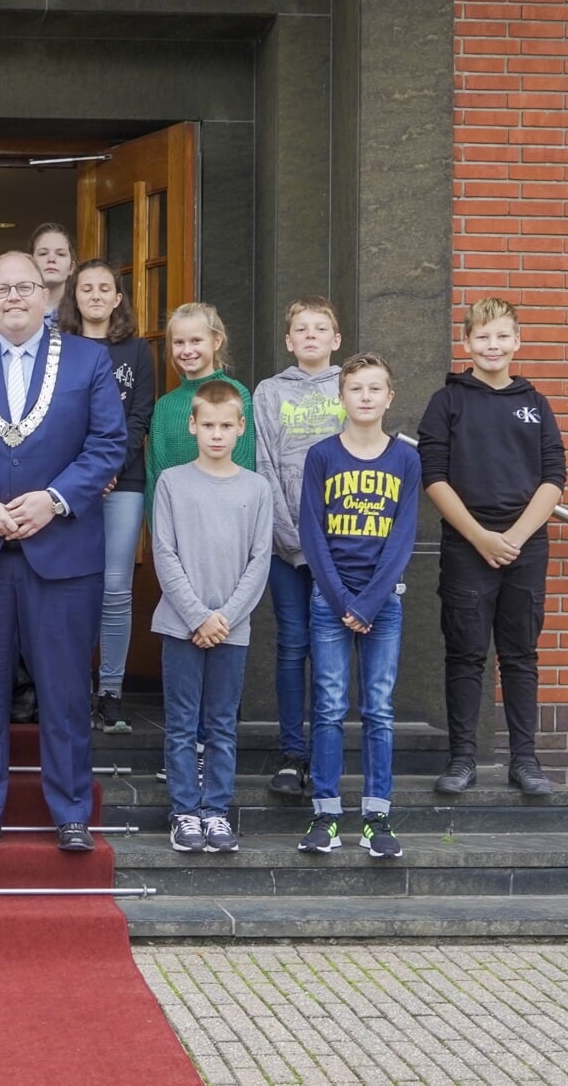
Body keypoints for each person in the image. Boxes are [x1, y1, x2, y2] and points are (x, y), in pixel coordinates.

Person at [0, 250, 126, 854]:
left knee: (63, 690)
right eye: (1, 289)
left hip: (60, 550)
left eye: (24, 287)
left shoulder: (90, 360)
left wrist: (56, 499)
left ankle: (70, 812)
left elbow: (109, 443)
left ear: (45, 295)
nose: (13, 298)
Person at [419, 297, 567, 797]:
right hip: (467, 546)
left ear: (517, 342)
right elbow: (433, 476)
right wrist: (480, 537)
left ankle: (525, 761)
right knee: (465, 654)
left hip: (526, 546)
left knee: (520, 654)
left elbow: (554, 479)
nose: (492, 346)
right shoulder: (448, 401)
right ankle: (462, 759)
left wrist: (516, 538)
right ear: (466, 343)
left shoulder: (535, 403)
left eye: (502, 336)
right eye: (482, 337)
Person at [296, 352, 419, 859]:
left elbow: (403, 537)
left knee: (379, 710)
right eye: (356, 389)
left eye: (375, 389)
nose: (365, 397)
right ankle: (325, 815)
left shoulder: (406, 459)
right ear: (340, 397)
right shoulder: (322, 456)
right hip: (330, 599)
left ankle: (376, 816)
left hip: (383, 602)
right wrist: (343, 599)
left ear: (389, 398)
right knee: (327, 707)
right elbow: (312, 532)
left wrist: (368, 603)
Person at [151, 381, 272, 854]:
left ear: (241, 428)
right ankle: (184, 811)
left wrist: (223, 618)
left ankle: (216, 812)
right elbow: (165, 552)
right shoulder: (173, 483)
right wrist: (199, 616)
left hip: (232, 629)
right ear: (192, 426)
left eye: (226, 426)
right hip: (180, 625)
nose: (217, 435)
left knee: (221, 724)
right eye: (208, 426)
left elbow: (259, 560)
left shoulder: (256, 487)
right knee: (182, 723)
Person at [56, 259, 156, 735]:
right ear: (73, 297)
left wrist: (108, 470)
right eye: (86, 288)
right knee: (72, 587)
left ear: (118, 299)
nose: (95, 295)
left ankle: (111, 691)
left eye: (104, 289)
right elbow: (53, 423)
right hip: (70, 486)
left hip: (123, 484)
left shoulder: (138, 353)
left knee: (115, 589)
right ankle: (72, 687)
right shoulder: (59, 350)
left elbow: (139, 418)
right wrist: (85, 476)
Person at [253, 297, 345, 799]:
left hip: (340, 546)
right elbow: (264, 463)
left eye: (321, 328)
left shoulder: (349, 387)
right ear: (289, 341)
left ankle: (327, 753)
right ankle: (292, 753)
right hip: (285, 545)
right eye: (301, 329)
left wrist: (333, 541)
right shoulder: (268, 392)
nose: (311, 335)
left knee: (331, 646)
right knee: (293, 644)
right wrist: (290, 536)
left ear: (336, 339)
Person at [146, 303, 256, 507]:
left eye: (196, 341)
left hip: (227, 516)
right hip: (179, 520)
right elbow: (156, 474)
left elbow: (245, 462)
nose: (187, 350)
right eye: (179, 342)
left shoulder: (238, 394)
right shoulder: (164, 406)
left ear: (216, 341)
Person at [30, 223, 74, 332]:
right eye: (43, 253)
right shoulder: (17, 308)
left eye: (60, 254)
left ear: (71, 267)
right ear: (30, 263)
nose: (51, 259)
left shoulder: (82, 311)